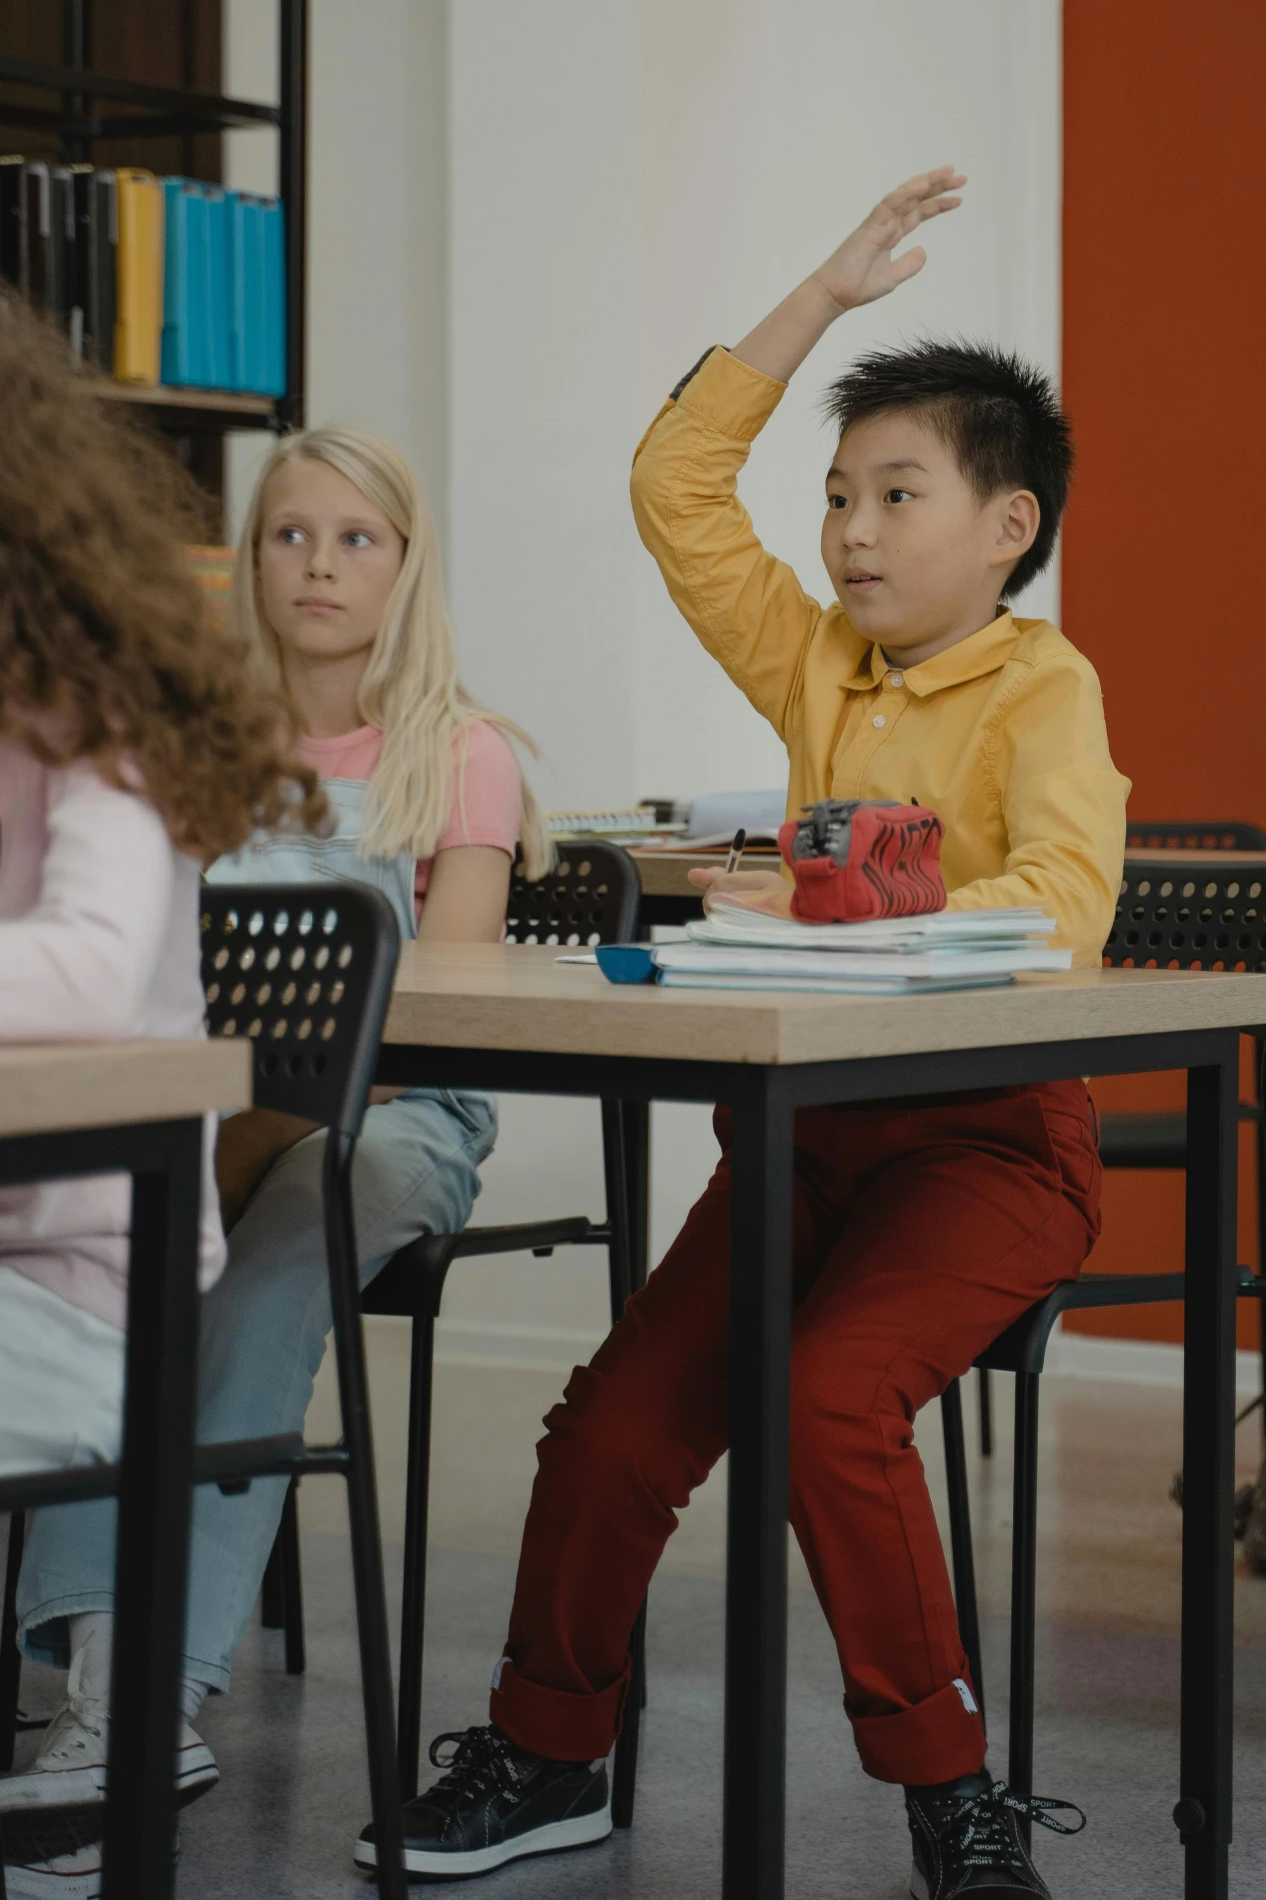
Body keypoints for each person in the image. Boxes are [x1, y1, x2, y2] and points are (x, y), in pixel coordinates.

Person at [366, 170, 1130, 1898]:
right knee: (614, 1425)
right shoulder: (817, 675)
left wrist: (853, 905)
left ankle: (952, 1795)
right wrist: (817, 303)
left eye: (897, 494)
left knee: (824, 1398)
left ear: (1006, 528)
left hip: (987, 1150)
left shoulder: (1042, 685)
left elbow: (1066, 912)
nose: (851, 531)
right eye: (840, 495)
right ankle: (548, 1753)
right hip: (800, 1147)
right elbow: (675, 488)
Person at [6, 424, 548, 1883]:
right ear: (250, 563)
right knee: (101, 1233)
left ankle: (142, 1701)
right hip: (212, 1102)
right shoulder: (192, 734)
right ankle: (85, 1683)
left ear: (407, 565)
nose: (318, 565)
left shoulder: (462, 753)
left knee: (283, 1229)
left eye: (355, 538)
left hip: (395, 1120)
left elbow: (449, 1003)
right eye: (290, 536)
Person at [0, 291, 325, 1900]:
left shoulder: (94, 707)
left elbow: (80, 966)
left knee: (349, 1183)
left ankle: (106, 1730)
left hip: (77, 1281)